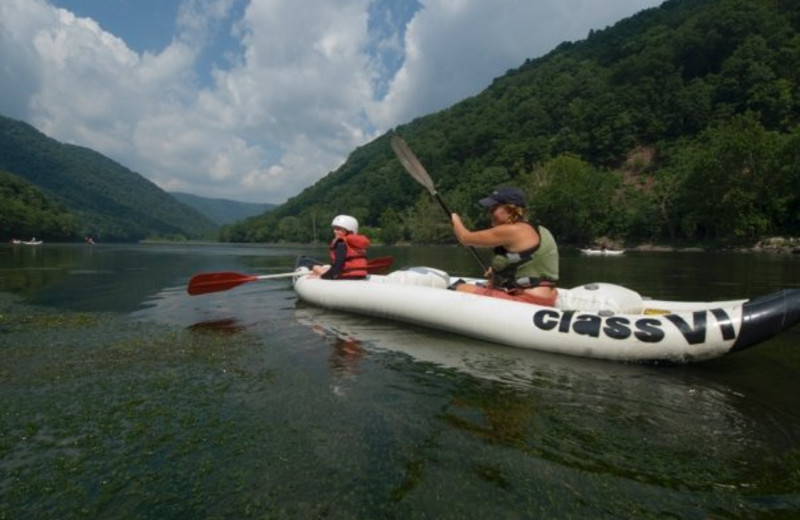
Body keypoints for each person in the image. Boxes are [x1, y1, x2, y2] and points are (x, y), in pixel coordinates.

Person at [450, 187, 559, 307]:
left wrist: (455, 219)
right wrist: (497, 274)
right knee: (488, 284)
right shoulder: (538, 229)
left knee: (459, 287)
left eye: (494, 208)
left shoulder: (512, 230)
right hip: (548, 298)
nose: (489, 212)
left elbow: (465, 238)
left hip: (529, 300)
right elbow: (523, 261)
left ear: (510, 209)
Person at [311, 215, 371, 280]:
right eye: (334, 229)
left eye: (338, 229)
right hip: (361, 275)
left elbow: (338, 264)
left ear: (348, 230)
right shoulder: (357, 244)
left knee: (315, 267)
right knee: (327, 267)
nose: (334, 231)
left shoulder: (341, 243)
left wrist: (323, 277)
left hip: (346, 276)